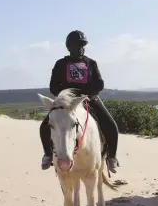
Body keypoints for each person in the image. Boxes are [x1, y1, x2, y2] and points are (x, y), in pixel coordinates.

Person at [39, 30, 120, 173]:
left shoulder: (91, 63)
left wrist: (90, 94)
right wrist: (65, 97)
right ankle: (47, 154)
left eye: (83, 45)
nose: (81, 47)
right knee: (45, 126)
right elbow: (53, 85)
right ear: (69, 47)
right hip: (67, 101)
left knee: (111, 125)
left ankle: (111, 157)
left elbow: (99, 83)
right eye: (78, 45)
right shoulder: (60, 64)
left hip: (89, 98)